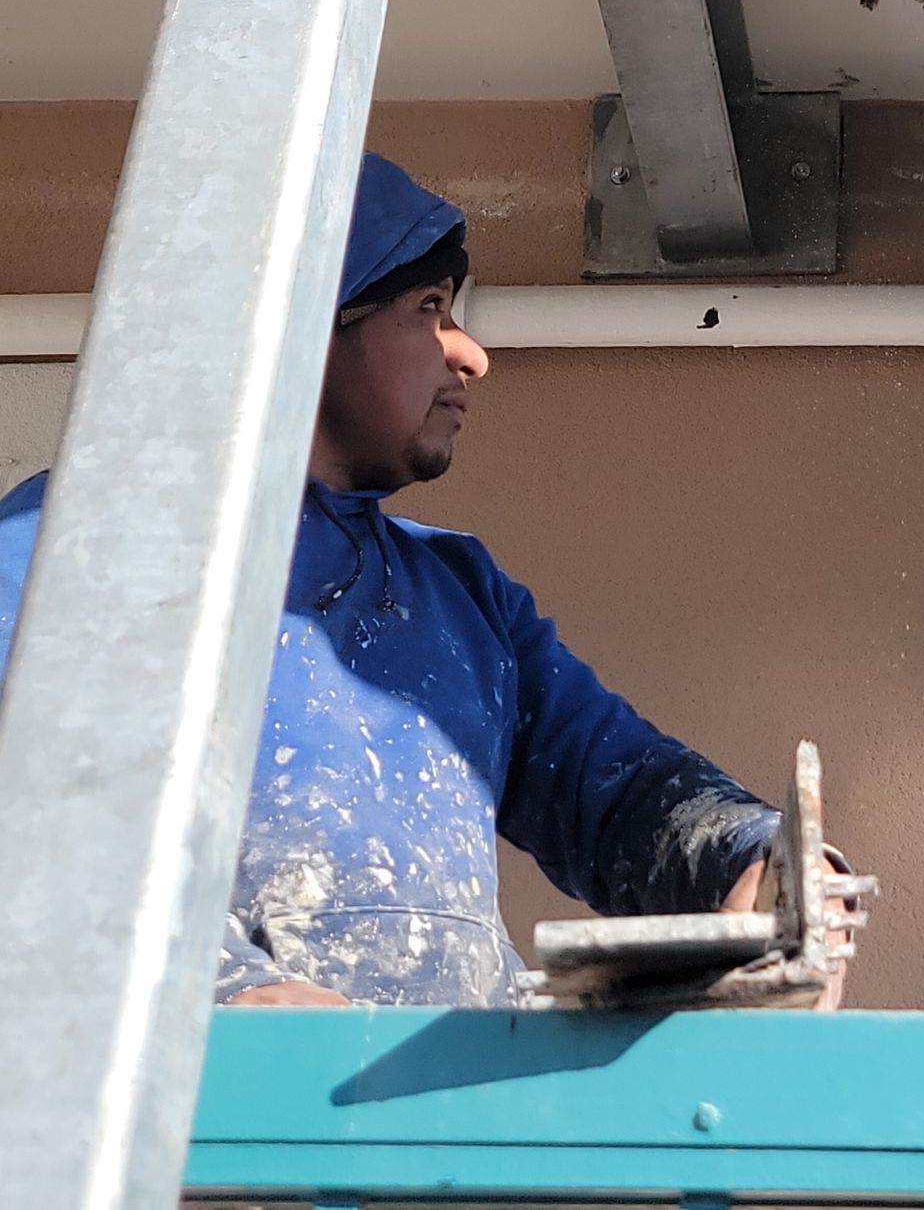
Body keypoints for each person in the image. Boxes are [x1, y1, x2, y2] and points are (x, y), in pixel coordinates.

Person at [0, 155, 781, 1008]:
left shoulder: (462, 593)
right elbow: (32, 812)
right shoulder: (81, 541)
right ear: (301, 325)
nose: (472, 355)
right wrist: (227, 987)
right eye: (429, 309)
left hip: (435, 1130)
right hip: (202, 1116)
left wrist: (757, 855)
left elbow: (620, 785)